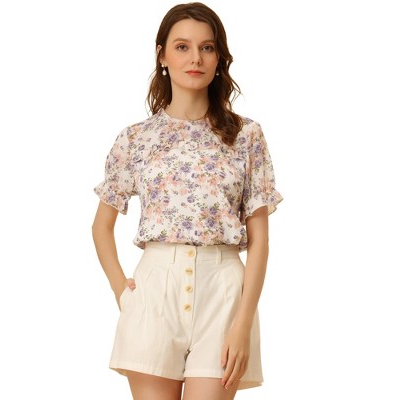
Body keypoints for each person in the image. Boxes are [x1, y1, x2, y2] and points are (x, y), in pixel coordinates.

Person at [92, 2, 283, 399]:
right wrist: (123, 293)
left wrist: (243, 322)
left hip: (223, 290)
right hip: (155, 290)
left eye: (207, 47)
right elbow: (101, 226)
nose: (195, 58)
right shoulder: (136, 138)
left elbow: (260, 240)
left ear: (219, 58)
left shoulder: (246, 136)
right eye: (182, 47)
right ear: (162, 55)